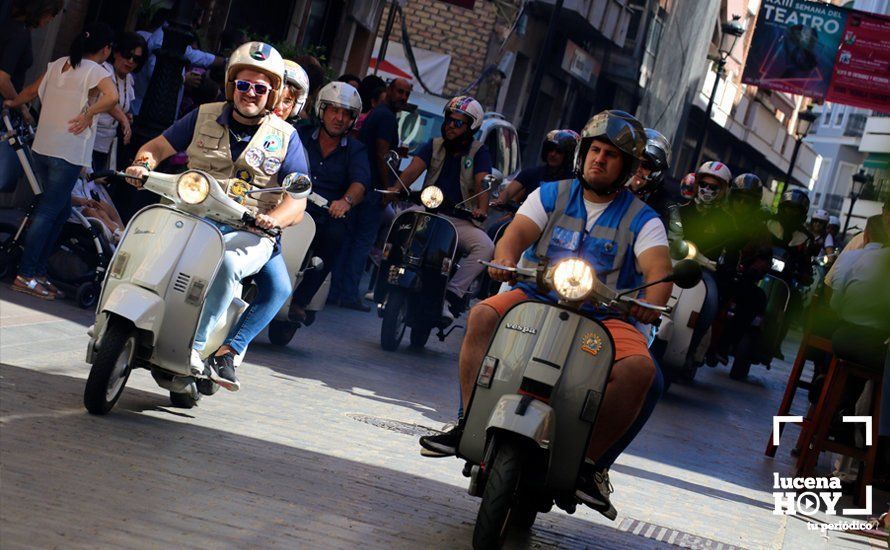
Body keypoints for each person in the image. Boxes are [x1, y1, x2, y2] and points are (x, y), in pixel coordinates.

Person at [419, 110, 671, 515]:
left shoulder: (645, 219)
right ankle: (466, 421)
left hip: (608, 317)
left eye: (611, 155)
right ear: (583, 153)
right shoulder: (550, 194)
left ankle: (590, 464)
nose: (599, 160)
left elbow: (659, 271)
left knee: (642, 371)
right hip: (534, 294)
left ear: (626, 167)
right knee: (483, 315)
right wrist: (503, 257)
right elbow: (517, 234)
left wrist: (651, 302)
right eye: (595, 150)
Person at [124, 42, 309, 392]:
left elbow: (296, 201)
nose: (249, 93)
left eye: (259, 88)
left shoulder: (287, 138)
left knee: (227, 265)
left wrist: (274, 219)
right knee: (147, 243)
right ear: (230, 86)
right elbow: (157, 147)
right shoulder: (203, 114)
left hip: (249, 228)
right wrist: (143, 164)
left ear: (272, 94)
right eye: (242, 85)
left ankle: (201, 349)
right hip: (192, 213)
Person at [5, 23, 118, 300]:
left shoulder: (57, 64)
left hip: (42, 149)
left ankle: (39, 270)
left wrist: (11, 104)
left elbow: (31, 91)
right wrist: (89, 113)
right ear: (105, 49)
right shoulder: (96, 70)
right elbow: (112, 96)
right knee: (48, 213)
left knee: (59, 212)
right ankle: (26, 275)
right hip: (66, 154)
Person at [390, 95, 495, 320]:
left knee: (485, 247)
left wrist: (481, 208)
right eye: (449, 120)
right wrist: (393, 189)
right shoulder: (434, 145)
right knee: (396, 221)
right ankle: (387, 276)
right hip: (427, 211)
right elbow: (411, 171)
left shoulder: (479, 152)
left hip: (460, 219)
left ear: (471, 127)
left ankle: (451, 294)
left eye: (458, 123)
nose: (450, 126)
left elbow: (482, 182)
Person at [289, 82, 370, 322]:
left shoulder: (355, 150)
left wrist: (345, 201)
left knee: (334, 238)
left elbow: (360, 183)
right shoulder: (300, 134)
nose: (339, 118)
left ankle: (301, 301)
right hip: (291, 203)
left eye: (346, 114)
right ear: (321, 110)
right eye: (334, 110)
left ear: (353, 120)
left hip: (326, 213)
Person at [330, 77, 411, 310]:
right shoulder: (385, 116)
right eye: (399, 92)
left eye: (406, 94)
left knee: (352, 239)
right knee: (361, 242)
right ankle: (347, 294)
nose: (403, 97)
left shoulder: (379, 113)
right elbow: (381, 153)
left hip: (363, 183)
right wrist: (388, 189)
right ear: (389, 91)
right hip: (373, 187)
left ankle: (338, 290)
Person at [0, 0, 64, 192]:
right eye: (52, 13)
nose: (51, 19)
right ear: (42, 10)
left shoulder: (10, 27)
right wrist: (21, 106)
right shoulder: (20, 33)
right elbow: (3, 79)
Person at [131, 11, 225, 116]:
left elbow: (194, 55)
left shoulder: (176, 38)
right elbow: (154, 73)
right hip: (144, 112)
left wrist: (224, 61)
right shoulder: (162, 38)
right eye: (196, 24)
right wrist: (184, 79)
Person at [92, 32, 147, 170]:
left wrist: (126, 117)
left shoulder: (129, 80)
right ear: (116, 52)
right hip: (89, 138)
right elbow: (108, 100)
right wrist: (122, 118)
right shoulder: (103, 71)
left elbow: (119, 106)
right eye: (127, 55)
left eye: (136, 59)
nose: (130, 61)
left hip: (107, 144)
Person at [493, 129, 579, 207]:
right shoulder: (532, 173)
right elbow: (508, 192)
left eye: (559, 151)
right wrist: (500, 201)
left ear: (569, 156)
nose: (553, 154)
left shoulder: (573, 183)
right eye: (550, 149)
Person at [628, 128, 674, 223]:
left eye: (646, 165)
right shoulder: (610, 189)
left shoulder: (664, 207)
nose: (638, 169)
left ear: (656, 173)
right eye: (635, 162)